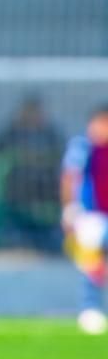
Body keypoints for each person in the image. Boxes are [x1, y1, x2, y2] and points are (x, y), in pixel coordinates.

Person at [0, 95, 64, 253]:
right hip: (17, 192)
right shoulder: (9, 134)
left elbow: (64, 157)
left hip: (48, 192)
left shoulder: (51, 134)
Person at [61, 107, 108, 335]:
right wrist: (70, 209)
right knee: (91, 264)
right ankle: (91, 309)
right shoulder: (82, 148)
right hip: (92, 217)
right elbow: (69, 178)